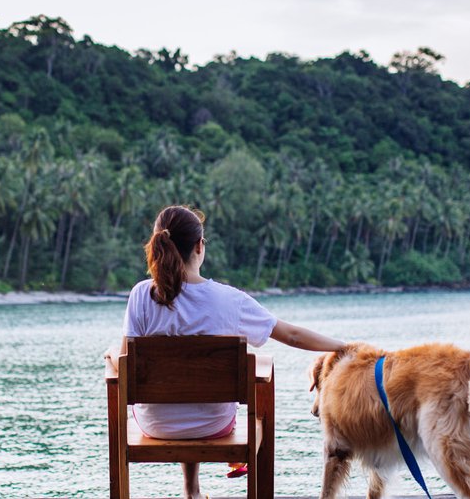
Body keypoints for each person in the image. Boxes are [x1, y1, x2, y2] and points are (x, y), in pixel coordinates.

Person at [104, 205, 347, 499]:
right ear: (199, 246)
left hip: (156, 425)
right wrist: (344, 346)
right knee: (218, 387)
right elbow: (291, 336)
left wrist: (111, 355)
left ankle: (191, 490)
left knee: (179, 388)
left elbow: (124, 362)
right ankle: (205, 484)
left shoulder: (141, 295)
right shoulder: (230, 300)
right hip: (214, 424)